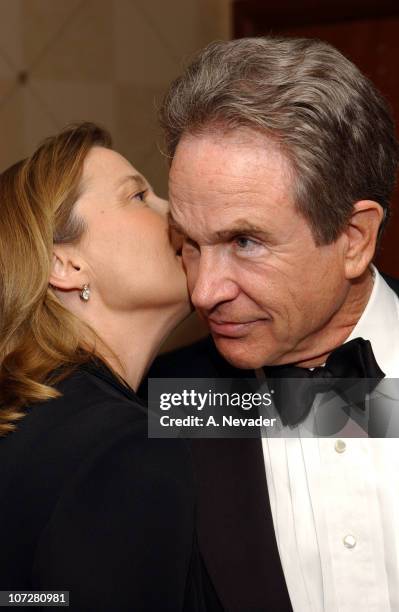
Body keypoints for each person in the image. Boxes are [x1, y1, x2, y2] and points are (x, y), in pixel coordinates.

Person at [147, 37, 399, 611]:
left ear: (353, 238)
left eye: (245, 241)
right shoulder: (153, 408)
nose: (204, 292)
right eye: (189, 243)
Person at [0, 122, 222, 611]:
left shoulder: (37, 418)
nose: (174, 211)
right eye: (139, 196)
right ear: (65, 264)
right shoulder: (122, 444)